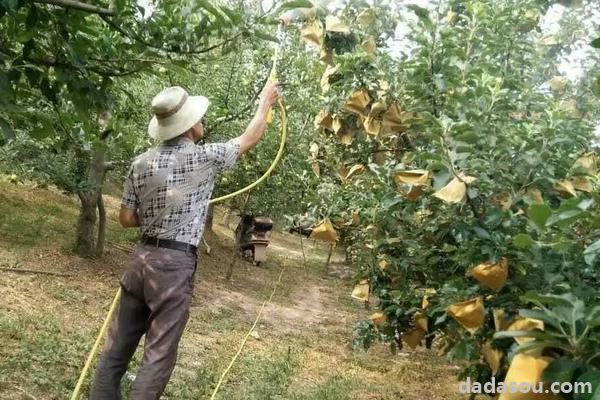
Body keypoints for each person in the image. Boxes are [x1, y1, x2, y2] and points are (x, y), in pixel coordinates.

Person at [89, 79, 280, 399]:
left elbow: (125, 219)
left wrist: (154, 216)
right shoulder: (204, 157)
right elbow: (248, 139)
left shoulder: (141, 162)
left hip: (140, 262)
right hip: (173, 268)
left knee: (115, 348)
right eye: (199, 118)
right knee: (158, 354)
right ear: (190, 126)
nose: (202, 121)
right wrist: (265, 103)